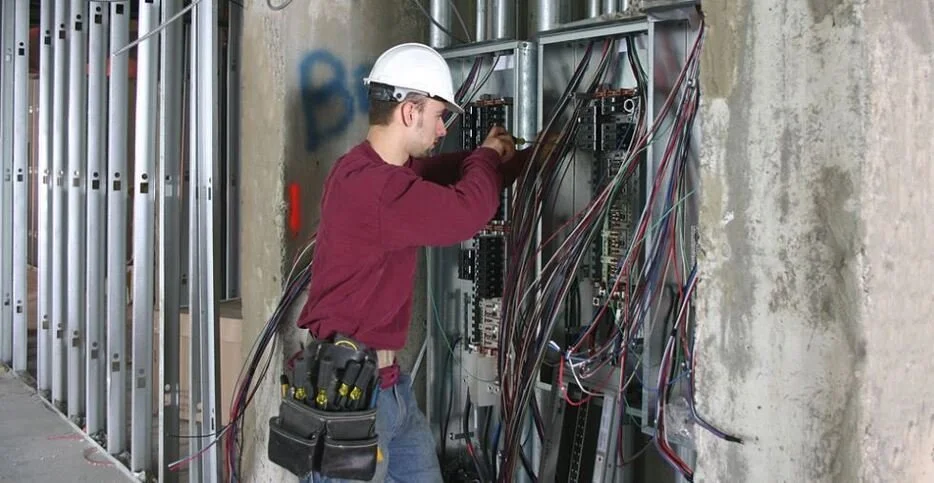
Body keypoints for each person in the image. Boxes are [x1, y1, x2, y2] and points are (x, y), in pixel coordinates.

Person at [295, 42, 533, 483]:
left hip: (388, 387)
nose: (442, 129)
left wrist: (510, 160)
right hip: (352, 398)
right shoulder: (373, 186)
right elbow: (466, 211)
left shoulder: (373, 170)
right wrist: (485, 157)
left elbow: (442, 173)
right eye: (439, 115)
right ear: (409, 111)